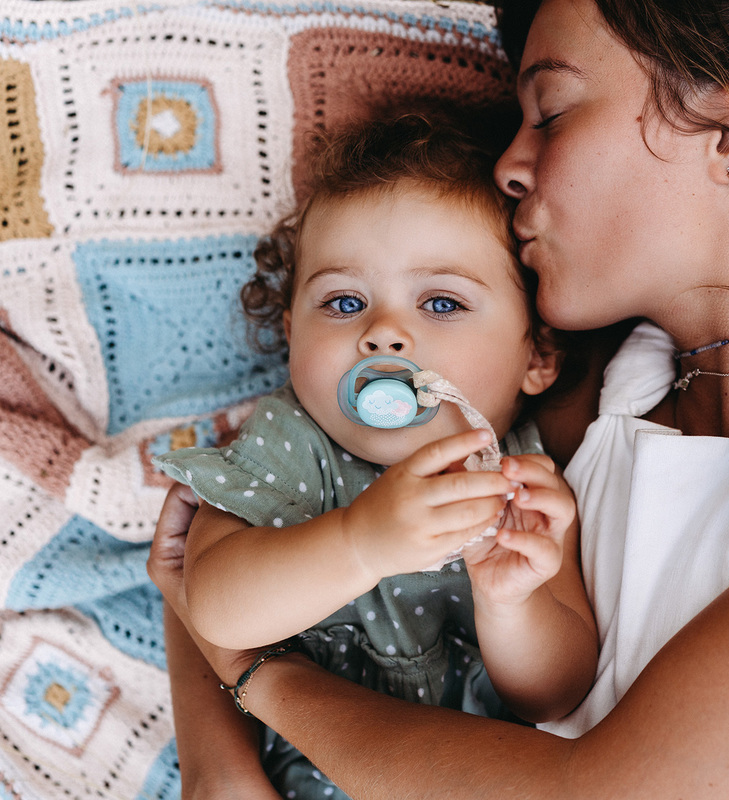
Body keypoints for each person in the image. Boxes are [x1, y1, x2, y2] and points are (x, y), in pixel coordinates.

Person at [150, 0, 729, 796]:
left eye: (553, 112)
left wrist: (256, 677)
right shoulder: (596, 403)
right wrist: (218, 732)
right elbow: (239, 530)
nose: (508, 165)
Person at [153, 106, 598, 799]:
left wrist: (511, 604)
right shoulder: (293, 446)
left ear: (537, 354)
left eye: (442, 303)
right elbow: (213, 607)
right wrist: (361, 542)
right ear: (289, 332)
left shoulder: (519, 481)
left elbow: (554, 694)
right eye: (343, 301)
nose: (385, 333)